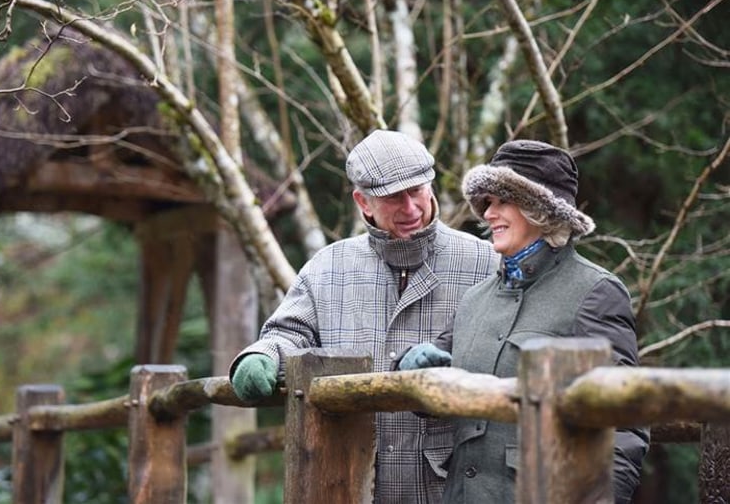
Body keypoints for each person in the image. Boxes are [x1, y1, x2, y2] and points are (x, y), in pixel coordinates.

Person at [229, 129, 499, 503]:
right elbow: (290, 332)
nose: (411, 209)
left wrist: (453, 368)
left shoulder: (485, 262)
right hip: (345, 480)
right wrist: (262, 356)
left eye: (417, 191)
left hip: (449, 484)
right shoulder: (328, 266)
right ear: (363, 202)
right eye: (392, 198)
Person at [397, 139, 649, 503]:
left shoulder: (596, 292)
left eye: (502, 201)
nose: (487, 214)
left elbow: (624, 424)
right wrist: (408, 367)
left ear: (539, 209)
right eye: (487, 203)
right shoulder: (474, 299)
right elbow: (433, 382)